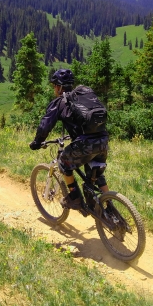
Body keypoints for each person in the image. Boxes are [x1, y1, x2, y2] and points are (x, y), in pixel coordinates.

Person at [29, 68, 109, 211]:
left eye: (54, 86)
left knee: (63, 163)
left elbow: (45, 125)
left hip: (85, 144)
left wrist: (37, 142)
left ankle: (74, 198)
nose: (54, 89)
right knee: (96, 176)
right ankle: (109, 207)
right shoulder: (84, 95)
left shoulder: (60, 102)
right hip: (102, 140)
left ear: (59, 86)